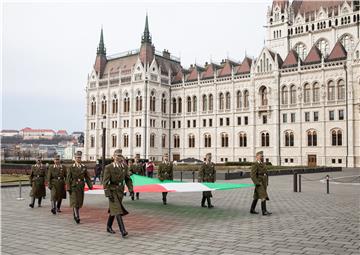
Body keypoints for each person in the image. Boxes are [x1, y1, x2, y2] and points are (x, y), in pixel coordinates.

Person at [103, 149, 134, 237]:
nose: (118, 158)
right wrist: (107, 193)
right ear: (113, 157)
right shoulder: (109, 167)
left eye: (120, 156)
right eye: (117, 156)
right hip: (112, 190)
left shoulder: (124, 166)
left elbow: (128, 179)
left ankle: (108, 226)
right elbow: (105, 182)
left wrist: (131, 189)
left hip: (120, 191)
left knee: (115, 209)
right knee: (117, 210)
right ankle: (123, 230)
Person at [66, 151, 93, 224]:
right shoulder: (71, 167)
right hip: (73, 185)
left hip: (80, 186)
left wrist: (90, 185)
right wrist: (68, 188)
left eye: (80, 157)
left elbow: (87, 177)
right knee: (75, 201)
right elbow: (68, 178)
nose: (78, 159)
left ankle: (75, 213)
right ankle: (77, 216)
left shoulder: (83, 167)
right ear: (74, 158)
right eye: (77, 157)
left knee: (79, 201)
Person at [250, 151, 272, 216]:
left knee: (256, 196)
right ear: (257, 157)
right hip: (259, 182)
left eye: (262, 156)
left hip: (264, 182)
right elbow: (252, 175)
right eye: (261, 156)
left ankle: (252, 209)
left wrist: (267, 182)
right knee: (263, 195)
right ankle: (264, 211)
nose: (262, 157)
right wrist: (256, 182)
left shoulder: (263, 164)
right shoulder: (255, 164)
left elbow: (266, 173)